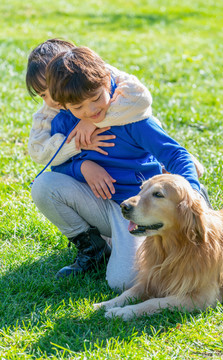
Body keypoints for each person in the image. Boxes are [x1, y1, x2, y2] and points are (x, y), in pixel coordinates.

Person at [30, 46, 206, 291]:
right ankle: (95, 249)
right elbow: (57, 165)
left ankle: (129, 238)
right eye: (78, 108)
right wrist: (83, 167)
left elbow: (176, 154)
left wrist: (193, 191)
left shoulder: (131, 118)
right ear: (63, 105)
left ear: (106, 82)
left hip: (138, 208)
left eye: (95, 99)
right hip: (102, 204)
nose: (91, 111)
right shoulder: (62, 122)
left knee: (122, 282)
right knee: (43, 186)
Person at [26, 38, 154, 167]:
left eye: (52, 87)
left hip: (140, 155)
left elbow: (140, 98)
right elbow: (38, 152)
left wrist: (93, 121)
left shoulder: (97, 76)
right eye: (43, 95)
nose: (53, 99)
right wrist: (78, 142)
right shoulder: (49, 111)